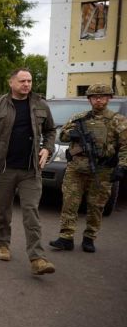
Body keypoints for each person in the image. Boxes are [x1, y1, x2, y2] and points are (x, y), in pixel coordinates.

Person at [0, 68, 56, 276]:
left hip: (30, 170)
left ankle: (37, 258)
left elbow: (50, 130)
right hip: (3, 168)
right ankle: (3, 244)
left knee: (31, 212)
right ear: (11, 83)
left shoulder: (40, 104)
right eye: (22, 81)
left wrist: (47, 148)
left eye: (29, 81)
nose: (26, 84)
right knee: (3, 210)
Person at [49, 83, 127, 253]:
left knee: (96, 206)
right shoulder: (79, 118)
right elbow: (61, 135)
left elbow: (125, 146)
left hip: (102, 170)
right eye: (94, 97)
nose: (98, 100)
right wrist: (72, 134)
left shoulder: (118, 121)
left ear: (109, 98)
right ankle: (66, 237)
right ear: (89, 99)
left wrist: (122, 166)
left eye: (103, 96)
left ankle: (89, 238)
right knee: (69, 203)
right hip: (76, 169)